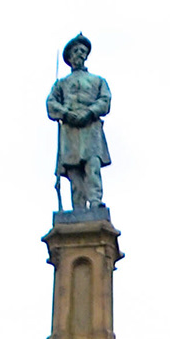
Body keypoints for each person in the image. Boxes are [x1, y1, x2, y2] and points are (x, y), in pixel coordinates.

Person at [46, 34, 111, 214]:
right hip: (70, 130)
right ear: (69, 57)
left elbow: (105, 101)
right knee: (74, 171)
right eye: (76, 52)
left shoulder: (98, 80)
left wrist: (90, 112)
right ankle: (79, 208)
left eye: (82, 51)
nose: (79, 55)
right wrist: (66, 113)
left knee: (93, 166)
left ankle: (95, 201)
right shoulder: (61, 84)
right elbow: (51, 104)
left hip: (91, 129)